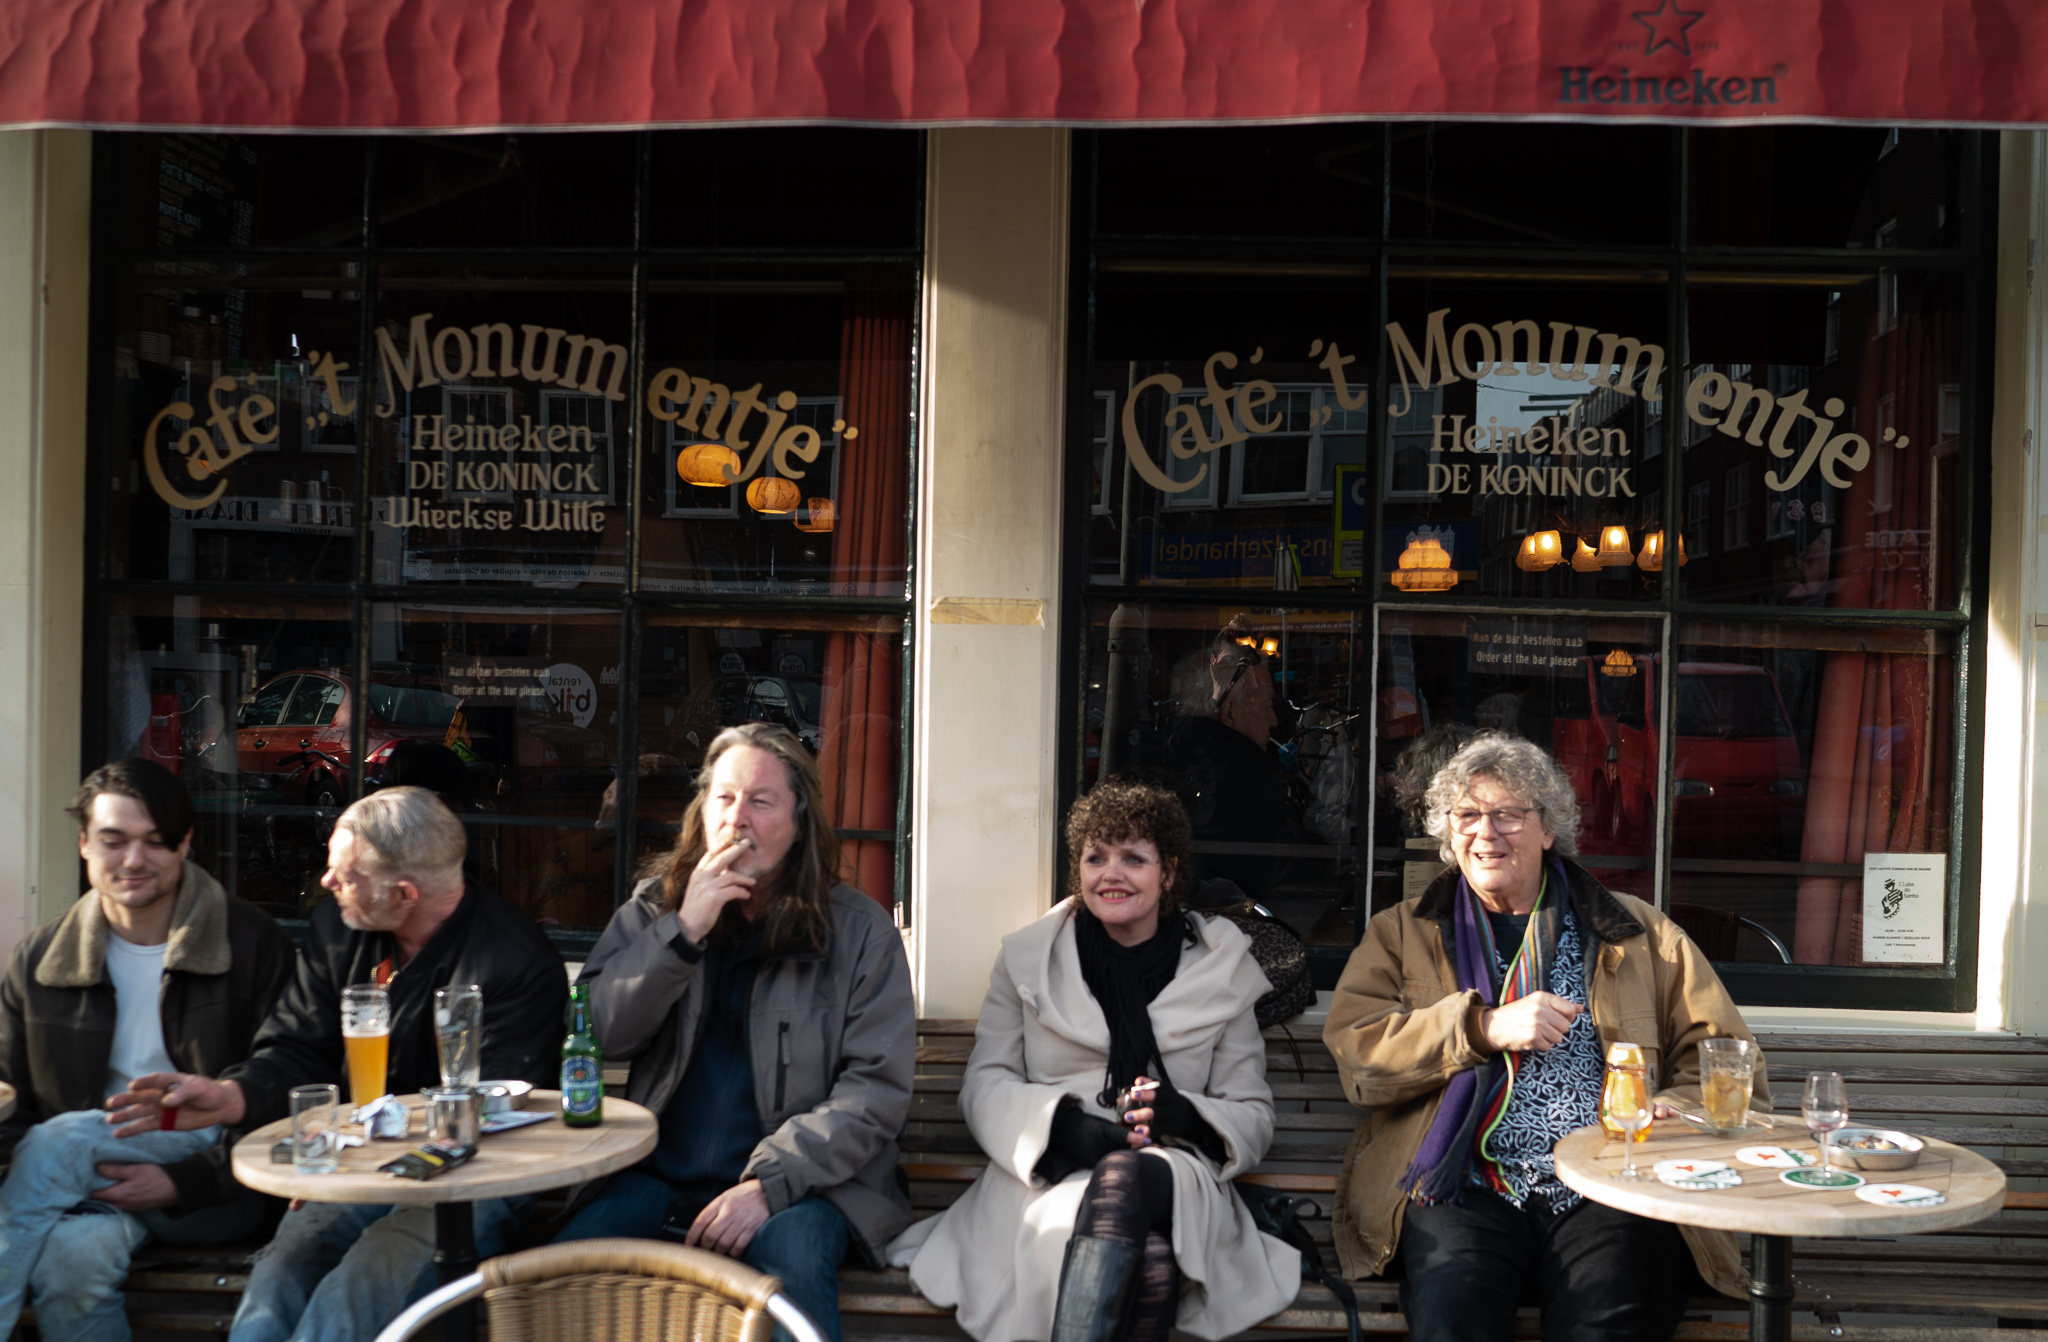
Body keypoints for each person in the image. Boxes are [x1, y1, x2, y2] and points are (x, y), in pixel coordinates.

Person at [1322, 734, 1767, 1342]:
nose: (1486, 833)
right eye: (1468, 816)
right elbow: (1360, 1056)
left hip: (1612, 1185)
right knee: (1453, 1319)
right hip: (1462, 1183)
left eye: (1507, 814)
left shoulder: (1638, 931)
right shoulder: (1401, 933)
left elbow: (1727, 1057)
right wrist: (1481, 1029)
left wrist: (1681, 1108)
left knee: (1609, 1319)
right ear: (1449, 835)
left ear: (1548, 829)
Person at [110, 786, 567, 1342]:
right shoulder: (338, 931)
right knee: (279, 1274)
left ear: (403, 893)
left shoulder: (516, 962)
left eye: (344, 876)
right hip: (359, 1163)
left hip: (471, 1183)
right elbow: (299, 1049)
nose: (326, 884)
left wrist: (362, 1158)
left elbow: (490, 1116)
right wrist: (233, 1097)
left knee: (355, 1286)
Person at [888, 779, 1299, 1342]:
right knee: (1152, 1264)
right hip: (1048, 1175)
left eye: (1134, 858)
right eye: (1096, 857)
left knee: (1129, 1177)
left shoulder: (1223, 967)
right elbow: (984, 1086)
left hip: (1175, 1173)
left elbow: (1252, 1111)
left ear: (1169, 872)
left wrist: (1185, 1117)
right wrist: (1060, 1127)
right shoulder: (1029, 958)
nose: (1112, 874)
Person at [554, 724, 914, 1342]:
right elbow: (601, 1033)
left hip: (806, 1188)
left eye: (761, 801)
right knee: (564, 1278)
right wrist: (683, 932)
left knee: (790, 1279)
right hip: (657, 1176)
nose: (737, 818)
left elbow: (874, 1093)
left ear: (800, 823)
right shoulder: (654, 908)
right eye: (724, 798)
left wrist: (767, 1186)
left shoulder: (860, 931)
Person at [0, 760, 292, 1342]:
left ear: (185, 844)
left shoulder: (251, 942)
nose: (133, 861)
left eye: (155, 842)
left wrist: (183, 1181)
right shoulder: (40, 960)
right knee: (69, 1265)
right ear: (84, 843)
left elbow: (286, 1089)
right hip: (92, 1189)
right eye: (114, 841)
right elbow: (13, 1103)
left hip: (217, 1180)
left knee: (63, 1139)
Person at [1152, 618, 1305, 900]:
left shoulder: (1256, 712)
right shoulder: (1228, 770)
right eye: (1234, 663)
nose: (1271, 720)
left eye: (1251, 661)